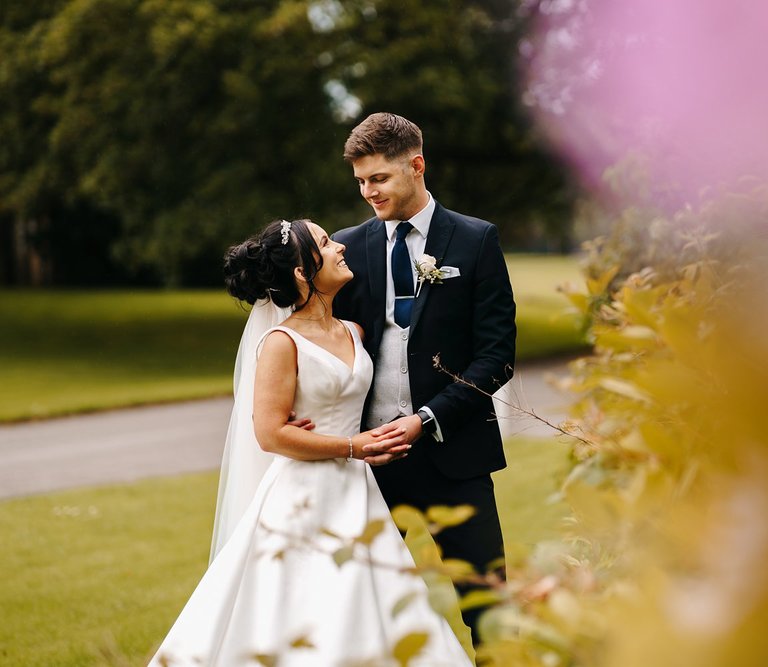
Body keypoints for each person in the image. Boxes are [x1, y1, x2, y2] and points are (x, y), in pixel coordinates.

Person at [149, 219, 472, 666]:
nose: (340, 246)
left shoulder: (355, 332)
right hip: (303, 496)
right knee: (309, 606)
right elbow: (268, 433)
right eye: (325, 242)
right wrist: (352, 447)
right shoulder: (281, 343)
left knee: (372, 603)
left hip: (357, 494)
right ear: (303, 272)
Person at [331, 112, 517, 644]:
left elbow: (497, 355)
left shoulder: (476, 240)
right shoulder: (347, 247)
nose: (368, 191)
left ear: (417, 166)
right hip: (369, 461)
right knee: (356, 606)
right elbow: (322, 337)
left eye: (379, 178)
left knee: (490, 609)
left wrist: (428, 419)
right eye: (361, 181)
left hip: (455, 454)